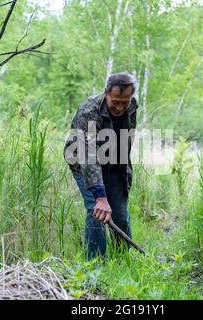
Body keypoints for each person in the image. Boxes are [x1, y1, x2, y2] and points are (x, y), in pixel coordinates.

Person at [63, 72, 138, 259]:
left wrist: (124, 175)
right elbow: (88, 154)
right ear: (106, 93)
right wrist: (100, 195)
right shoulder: (89, 111)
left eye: (125, 102)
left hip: (113, 162)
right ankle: (96, 265)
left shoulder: (132, 106)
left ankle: (123, 260)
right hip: (83, 161)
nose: (120, 107)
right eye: (115, 101)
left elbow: (125, 143)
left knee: (120, 213)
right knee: (97, 210)